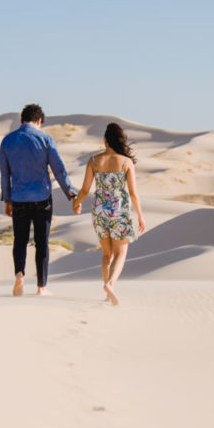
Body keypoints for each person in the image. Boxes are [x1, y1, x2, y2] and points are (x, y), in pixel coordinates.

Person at [0, 103, 78, 296]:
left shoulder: (7, 141)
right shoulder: (45, 139)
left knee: (20, 240)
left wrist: (7, 200)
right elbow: (58, 169)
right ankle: (42, 287)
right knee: (42, 242)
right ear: (39, 121)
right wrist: (71, 193)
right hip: (42, 198)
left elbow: (4, 174)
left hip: (18, 198)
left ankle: (19, 275)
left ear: (21, 120)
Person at [72, 122, 146, 305]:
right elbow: (134, 193)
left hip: (99, 212)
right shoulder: (126, 162)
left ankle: (107, 290)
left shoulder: (94, 161)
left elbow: (84, 190)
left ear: (105, 140)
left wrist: (76, 203)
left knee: (106, 254)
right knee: (121, 253)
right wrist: (140, 215)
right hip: (119, 212)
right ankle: (111, 284)